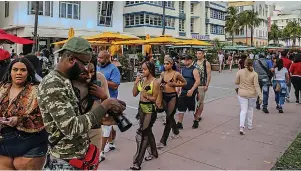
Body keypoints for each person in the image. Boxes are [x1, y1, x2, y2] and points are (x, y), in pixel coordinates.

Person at [37, 37, 126, 170]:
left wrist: (106, 112)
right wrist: (105, 105)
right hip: (65, 161)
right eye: (85, 63)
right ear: (71, 59)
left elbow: (76, 117)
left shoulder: (64, 80)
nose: (86, 69)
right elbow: (71, 127)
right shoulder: (54, 84)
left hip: (76, 157)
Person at [0, 58, 48, 170]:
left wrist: (19, 120)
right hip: (4, 142)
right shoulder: (2, 87)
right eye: (15, 69)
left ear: (29, 72)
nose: (18, 73)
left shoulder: (38, 90)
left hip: (31, 143)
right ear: (10, 72)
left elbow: (46, 117)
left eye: (23, 70)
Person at [71, 56, 110, 161]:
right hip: (75, 132)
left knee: (91, 163)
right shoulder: (69, 80)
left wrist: (104, 96)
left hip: (94, 130)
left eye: (92, 71)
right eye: (84, 72)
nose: (89, 76)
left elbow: (108, 105)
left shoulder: (100, 78)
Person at [131, 61, 159, 170]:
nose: (142, 71)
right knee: (148, 131)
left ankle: (138, 161)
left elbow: (155, 98)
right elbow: (134, 94)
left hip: (150, 109)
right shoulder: (142, 81)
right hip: (141, 108)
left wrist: (146, 96)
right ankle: (154, 152)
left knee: (144, 133)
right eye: (142, 69)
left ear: (150, 70)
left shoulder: (154, 82)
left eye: (144, 69)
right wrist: (136, 83)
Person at [156, 55, 187, 149]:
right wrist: (159, 85)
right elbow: (157, 83)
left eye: (167, 64)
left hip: (173, 97)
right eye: (164, 63)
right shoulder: (163, 74)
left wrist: (175, 84)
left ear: (171, 64)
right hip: (164, 96)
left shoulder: (176, 74)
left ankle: (163, 141)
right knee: (170, 116)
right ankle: (176, 131)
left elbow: (184, 83)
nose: (165, 65)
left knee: (168, 117)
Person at [97, 50, 121, 155]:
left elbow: (115, 85)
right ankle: (111, 143)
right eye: (98, 57)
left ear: (107, 59)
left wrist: (103, 80)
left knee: (106, 125)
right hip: (99, 100)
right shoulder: (98, 68)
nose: (98, 59)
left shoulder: (114, 69)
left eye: (101, 58)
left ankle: (101, 152)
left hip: (110, 100)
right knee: (108, 123)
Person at [235, 59, 262, 135]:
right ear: (252, 64)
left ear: (244, 64)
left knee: (243, 110)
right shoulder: (254, 74)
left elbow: (236, 82)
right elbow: (257, 85)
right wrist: (260, 96)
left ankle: (241, 127)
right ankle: (249, 125)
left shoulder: (240, 71)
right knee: (250, 109)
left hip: (242, 93)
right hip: (252, 94)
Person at [176, 55, 200, 129]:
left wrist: (192, 90)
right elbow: (180, 79)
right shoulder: (183, 69)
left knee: (193, 108)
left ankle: (196, 121)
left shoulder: (194, 70)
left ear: (190, 60)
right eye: (184, 60)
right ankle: (179, 123)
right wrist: (178, 88)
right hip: (184, 91)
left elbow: (198, 81)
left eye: (186, 60)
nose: (185, 61)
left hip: (192, 92)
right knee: (181, 106)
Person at [193, 50, 211, 127]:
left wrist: (207, 85)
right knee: (194, 101)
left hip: (202, 85)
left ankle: (198, 116)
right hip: (194, 85)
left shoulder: (206, 63)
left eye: (200, 53)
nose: (198, 55)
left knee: (200, 101)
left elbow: (209, 74)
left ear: (203, 54)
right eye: (197, 53)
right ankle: (196, 114)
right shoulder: (194, 62)